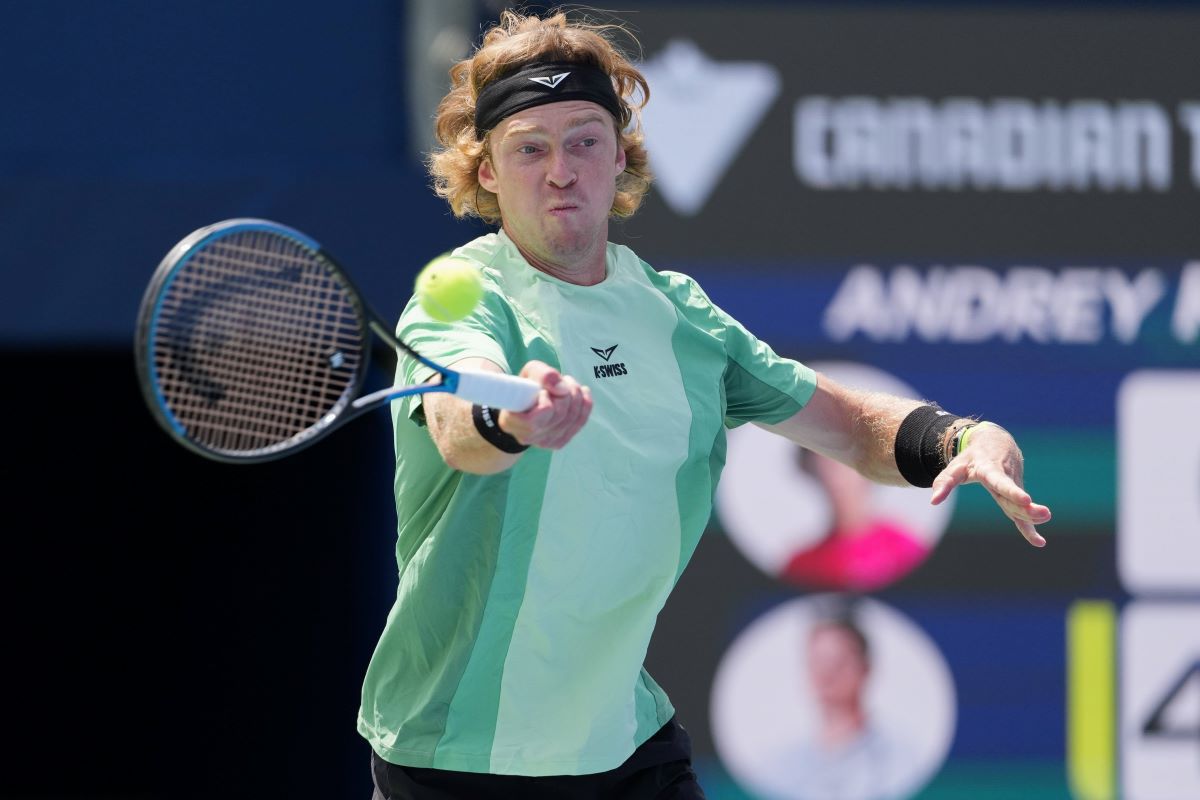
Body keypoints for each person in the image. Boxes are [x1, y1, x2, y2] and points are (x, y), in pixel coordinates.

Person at [358, 9, 1052, 800]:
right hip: (454, 760)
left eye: (585, 141)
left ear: (620, 155)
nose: (561, 171)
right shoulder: (459, 298)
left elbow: (855, 429)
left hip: (625, 749)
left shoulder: (680, 316)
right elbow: (458, 426)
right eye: (530, 148)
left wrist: (965, 438)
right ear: (486, 172)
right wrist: (512, 419)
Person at [759, 604, 911, 800]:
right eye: (818, 662)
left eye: (838, 661)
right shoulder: (782, 765)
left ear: (865, 668)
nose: (827, 674)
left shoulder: (901, 760)